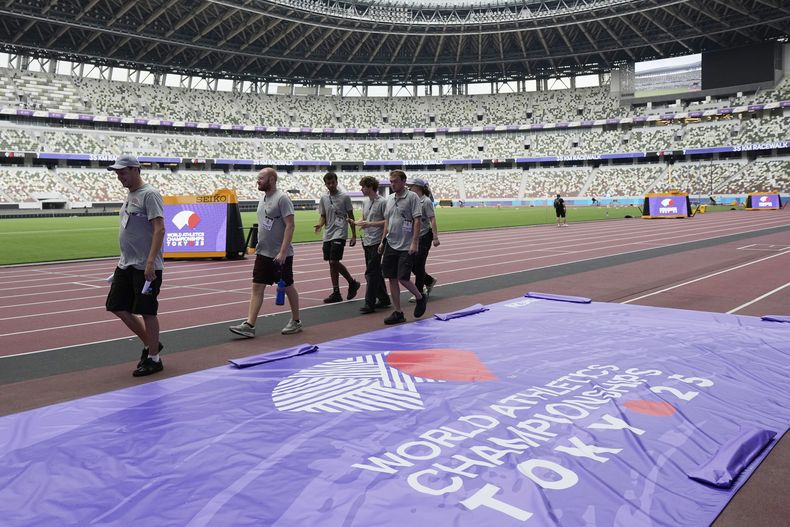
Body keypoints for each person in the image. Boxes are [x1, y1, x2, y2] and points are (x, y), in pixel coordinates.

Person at [105, 154, 166, 377]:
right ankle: (152, 344)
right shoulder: (131, 195)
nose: (119, 177)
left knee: (147, 311)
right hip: (126, 265)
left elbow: (159, 229)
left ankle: (154, 358)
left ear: (135, 170)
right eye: (117, 173)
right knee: (116, 306)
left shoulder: (149, 195)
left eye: (122, 172)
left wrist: (150, 262)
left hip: (145, 267)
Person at [230, 168, 302, 338]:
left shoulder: (282, 198)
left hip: (280, 254)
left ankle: (296, 321)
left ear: (271, 179)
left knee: (287, 286)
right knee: (257, 286)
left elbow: (290, 225)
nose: (258, 181)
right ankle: (250, 325)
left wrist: (283, 252)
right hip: (263, 253)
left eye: (261, 178)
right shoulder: (262, 198)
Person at [379, 170, 427, 325]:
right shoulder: (390, 199)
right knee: (391, 278)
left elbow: (417, 220)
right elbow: (387, 220)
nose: (393, 184)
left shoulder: (412, 197)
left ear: (404, 182)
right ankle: (398, 312)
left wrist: (415, 242)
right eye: (391, 181)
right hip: (391, 243)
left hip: (406, 245)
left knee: (403, 278)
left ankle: (420, 297)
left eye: (396, 181)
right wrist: (382, 241)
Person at [314, 172, 361, 303]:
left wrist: (354, 235)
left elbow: (350, 215)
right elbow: (323, 215)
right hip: (328, 233)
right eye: (328, 183)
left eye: (333, 182)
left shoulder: (344, 197)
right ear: (325, 184)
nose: (331, 185)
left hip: (340, 232)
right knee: (331, 263)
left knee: (334, 261)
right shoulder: (324, 198)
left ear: (337, 182)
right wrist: (320, 224)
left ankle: (352, 282)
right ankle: (336, 292)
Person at [353, 176, 391, 314]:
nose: (361, 189)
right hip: (367, 240)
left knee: (371, 272)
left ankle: (369, 303)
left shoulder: (383, 202)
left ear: (370, 187)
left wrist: (369, 224)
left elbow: (387, 221)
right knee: (375, 272)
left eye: (363, 186)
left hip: (377, 241)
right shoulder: (365, 202)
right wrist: (355, 222)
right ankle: (384, 298)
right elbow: (365, 219)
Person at [407, 178, 439, 303]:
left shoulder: (425, 201)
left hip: (424, 236)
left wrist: (435, 237)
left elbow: (432, 219)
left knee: (419, 265)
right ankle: (429, 281)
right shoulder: (413, 200)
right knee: (411, 265)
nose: (409, 188)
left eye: (412, 186)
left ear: (418, 187)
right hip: (414, 236)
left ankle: (419, 292)